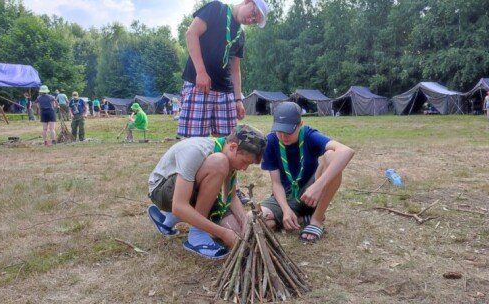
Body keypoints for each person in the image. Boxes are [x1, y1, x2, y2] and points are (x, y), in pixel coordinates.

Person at [147, 124, 267, 259]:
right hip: (162, 191)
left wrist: (245, 225)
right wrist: (223, 233)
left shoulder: (228, 154)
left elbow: (231, 197)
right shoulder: (200, 151)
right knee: (219, 162)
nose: (244, 168)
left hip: (187, 190)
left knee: (238, 233)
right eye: (244, 162)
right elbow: (179, 206)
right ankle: (196, 234)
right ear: (233, 147)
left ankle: (174, 219)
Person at [258, 102, 355, 243]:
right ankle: (300, 218)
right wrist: (285, 210)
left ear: (300, 124)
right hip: (286, 197)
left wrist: (318, 186)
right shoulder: (271, 142)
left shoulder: (309, 135)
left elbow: (346, 151)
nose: (284, 137)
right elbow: (276, 184)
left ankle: (316, 220)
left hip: (311, 195)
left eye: (289, 132)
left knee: (331, 156)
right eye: (280, 131)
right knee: (254, 220)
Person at [177, 0, 268, 138]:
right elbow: (191, 34)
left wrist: (238, 100)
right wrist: (201, 72)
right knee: (194, 143)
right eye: (253, 14)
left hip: (225, 93)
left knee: (228, 143)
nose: (250, 20)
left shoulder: (240, 34)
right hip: (200, 86)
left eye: (254, 20)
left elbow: (235, 70)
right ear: (248, 1)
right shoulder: (217, 9)